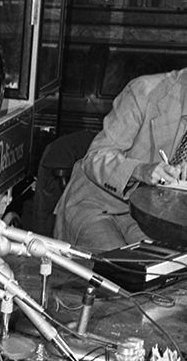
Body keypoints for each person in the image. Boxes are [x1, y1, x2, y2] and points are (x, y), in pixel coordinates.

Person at [54, 69, 187, 251]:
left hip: (151, 218)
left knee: (165, 269)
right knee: (119, 269)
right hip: (97, 203)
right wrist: (140, 170)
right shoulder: (145, 91)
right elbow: (96, 157)